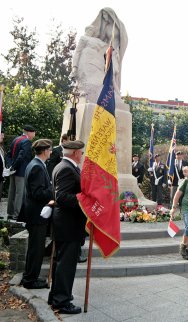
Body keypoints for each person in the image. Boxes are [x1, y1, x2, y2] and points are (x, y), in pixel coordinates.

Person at [48, 140, 86, 314]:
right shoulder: (66, 169)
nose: (82, 156)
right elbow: (62, 197)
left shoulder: (63, 166)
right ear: (76, 153)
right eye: (81, 153)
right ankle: (62, 302)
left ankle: (56, 296)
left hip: (67, 223)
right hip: (68, 224)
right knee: (66, 265)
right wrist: (83, 200)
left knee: (60, 262)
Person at [71, 7, 128, 101]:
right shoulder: (105, 27)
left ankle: (115, 93)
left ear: (110, 14)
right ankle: (105, 91)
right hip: (107, 51)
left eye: (105, 15)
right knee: (104, 71)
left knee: (113, 71)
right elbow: (103, 40)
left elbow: (124, 40)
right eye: (103, 15)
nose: (104, 17)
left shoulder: (119, 26)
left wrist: (117, 51)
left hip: (115, 52)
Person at [19, 139, 54, 289]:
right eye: (50, 150)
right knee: (36, 249)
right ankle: (30, 280)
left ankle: (30, 277)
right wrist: (53, 191)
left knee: (36, 248)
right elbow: (37, 192)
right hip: (36, 215)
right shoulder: (37, 167)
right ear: (45, 151)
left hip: (35, 214)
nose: (51, 152)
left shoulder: (36, 164)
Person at [5, 125, 36, 220]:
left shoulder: (16, 139)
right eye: (34, 132)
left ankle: (10, 213)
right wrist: (14, 167)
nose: (34, 135)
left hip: (13, 170)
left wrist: (11, 166)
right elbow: (21, 157)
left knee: (12, 192)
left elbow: (8, 155)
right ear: (29, 132)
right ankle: (16, 215)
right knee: (19, 193)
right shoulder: (26, 141)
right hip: (20, 171)